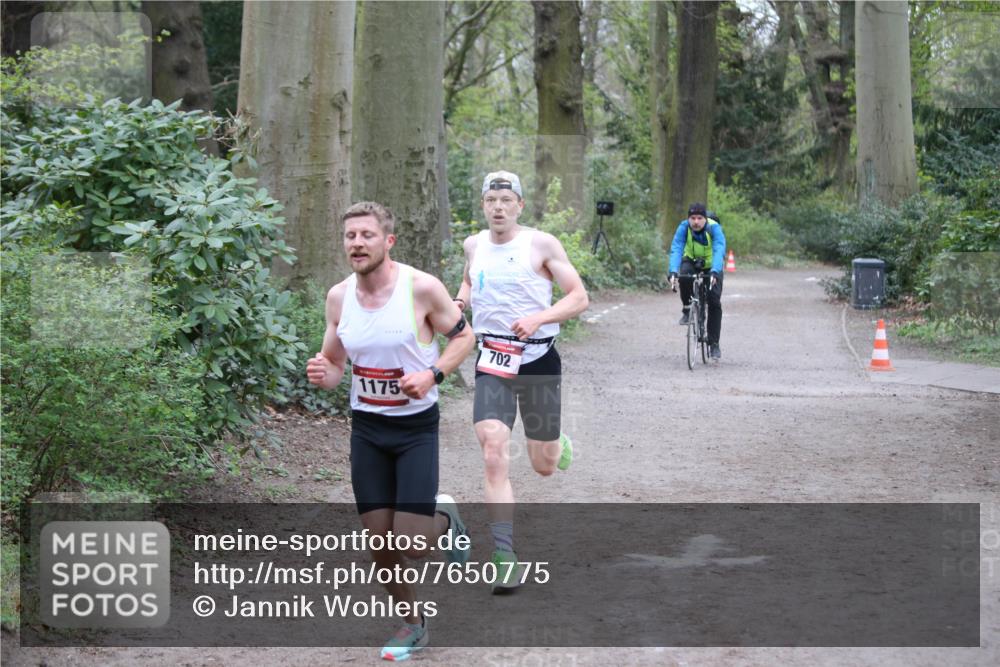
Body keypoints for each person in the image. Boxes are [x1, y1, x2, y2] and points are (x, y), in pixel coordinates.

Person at [306, 201, 476, 661]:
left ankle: (444, 519)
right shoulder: (338, 297)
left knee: (413, 544)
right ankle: (413, 624)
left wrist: (433, 375)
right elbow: (337, 363)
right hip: (367, 429)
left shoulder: (421, 289)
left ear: (388, 241)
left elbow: (464, 338)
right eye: (350, 237)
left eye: (366, 235)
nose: (357, 243)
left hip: (415, 428)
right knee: (378, 539)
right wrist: (325, 374)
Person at [454, 170, 589, 592]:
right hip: (492, 361)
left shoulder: (541, 244)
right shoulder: (473, 244)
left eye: (506, 199)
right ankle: (503, 554)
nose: (498, 207)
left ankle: (555, 442)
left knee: (543, 466)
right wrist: (458, 303)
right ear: (482, 205)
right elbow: (469, 280)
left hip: (537, 361)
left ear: (520, 205)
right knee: (493, 450)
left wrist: (539, 317)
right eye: (491, 199)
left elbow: (578, 297)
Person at [668, 202, 727, 359]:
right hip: (692, 260)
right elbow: (676, 248)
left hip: (712, 264)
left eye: (699, 218)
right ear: (688, 218)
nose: (695, 222)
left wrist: (715, 271)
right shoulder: (683, 227)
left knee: (714, 300)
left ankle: (714, 343)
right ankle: (687, 308)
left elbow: (719, 248)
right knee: (684, 276)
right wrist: (672, 271)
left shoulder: (714, 228)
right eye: (692, 218)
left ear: (705, 218)